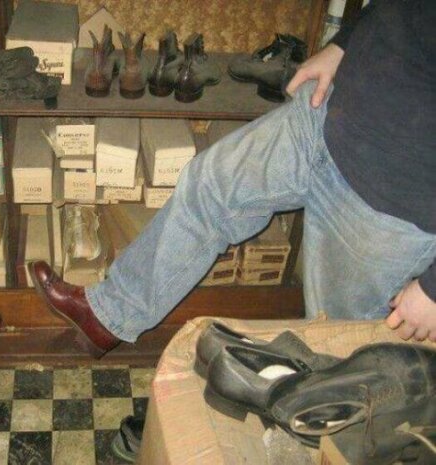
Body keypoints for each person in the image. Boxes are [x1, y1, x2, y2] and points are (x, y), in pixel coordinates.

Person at [29, 0, 436, 362]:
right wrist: (344, 45)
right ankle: (108, 315)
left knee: (336, 343)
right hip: (329, 109)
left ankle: (318, 419)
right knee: (211, 186)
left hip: (395, 187)